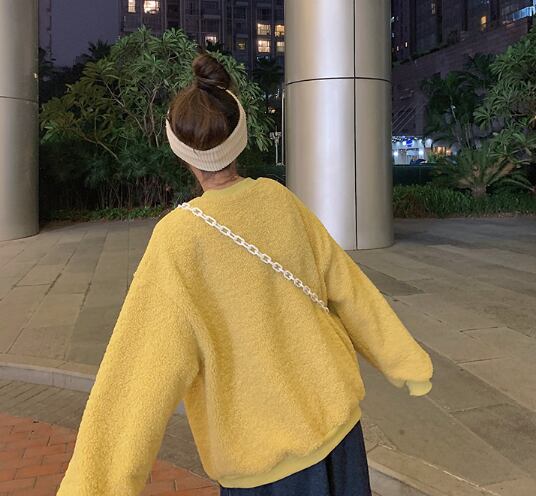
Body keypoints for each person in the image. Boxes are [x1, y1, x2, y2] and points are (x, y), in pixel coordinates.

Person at [56, 52, 433, 496]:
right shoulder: (279, 201)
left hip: (263, 463)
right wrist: (404, 360)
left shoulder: (178, 241)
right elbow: (348, 287)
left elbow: (140, 372)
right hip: (339, 431)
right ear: (241, 136)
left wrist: (95, 485)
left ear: (180, 151)